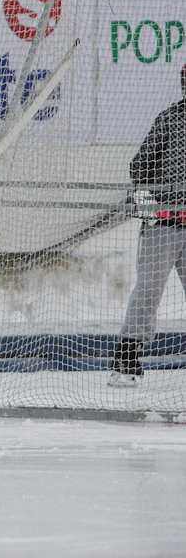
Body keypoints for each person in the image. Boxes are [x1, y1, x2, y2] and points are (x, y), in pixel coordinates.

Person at [111, 65, 186, 387]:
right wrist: (153, 201)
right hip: (164, 222)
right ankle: (126, 356)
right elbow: (140, 164)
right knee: (149, 289)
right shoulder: (170, 119)